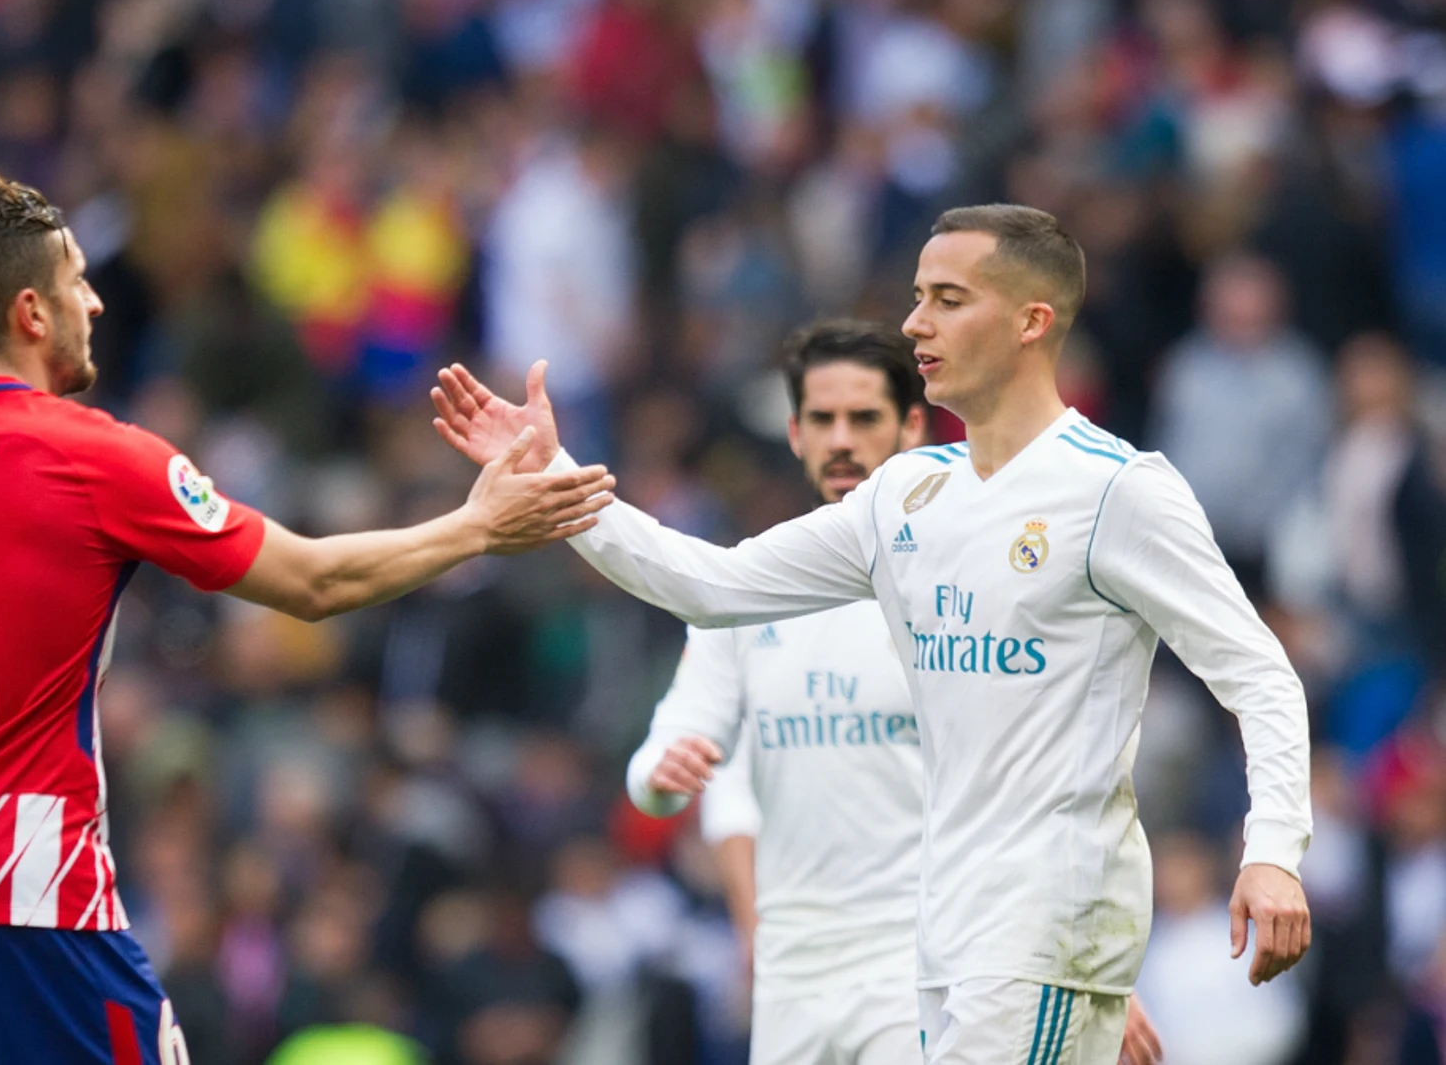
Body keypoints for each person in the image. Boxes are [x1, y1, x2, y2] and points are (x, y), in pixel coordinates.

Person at [430, 204, 1313, 1065]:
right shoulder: (909, 496)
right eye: (918, 294)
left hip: (1045, 919)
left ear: (1032, 322)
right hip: (939, 929)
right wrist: (550, 475)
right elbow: (712, 582)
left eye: (948, 299)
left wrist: (1272, 851)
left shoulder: (1117, 491)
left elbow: (1260, 675)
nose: (913, 321)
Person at [0, 171, 614, 1065]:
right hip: (28, 896)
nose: (96, 303)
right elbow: (312, 582)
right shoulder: (92, 456)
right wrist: (477, 528)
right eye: (77, 281)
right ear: (30, 311)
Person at [626, 319, 1160, 1065]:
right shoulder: (752, 590)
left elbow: (1031, 779)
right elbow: (695, 757)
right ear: (794, 432)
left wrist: (1076, 967)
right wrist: (658, 775)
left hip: (926, 959)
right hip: (792, 973)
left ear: (913, 426)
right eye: (823, 419)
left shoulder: (960, 583)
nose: (842, 440)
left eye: (865, 417)